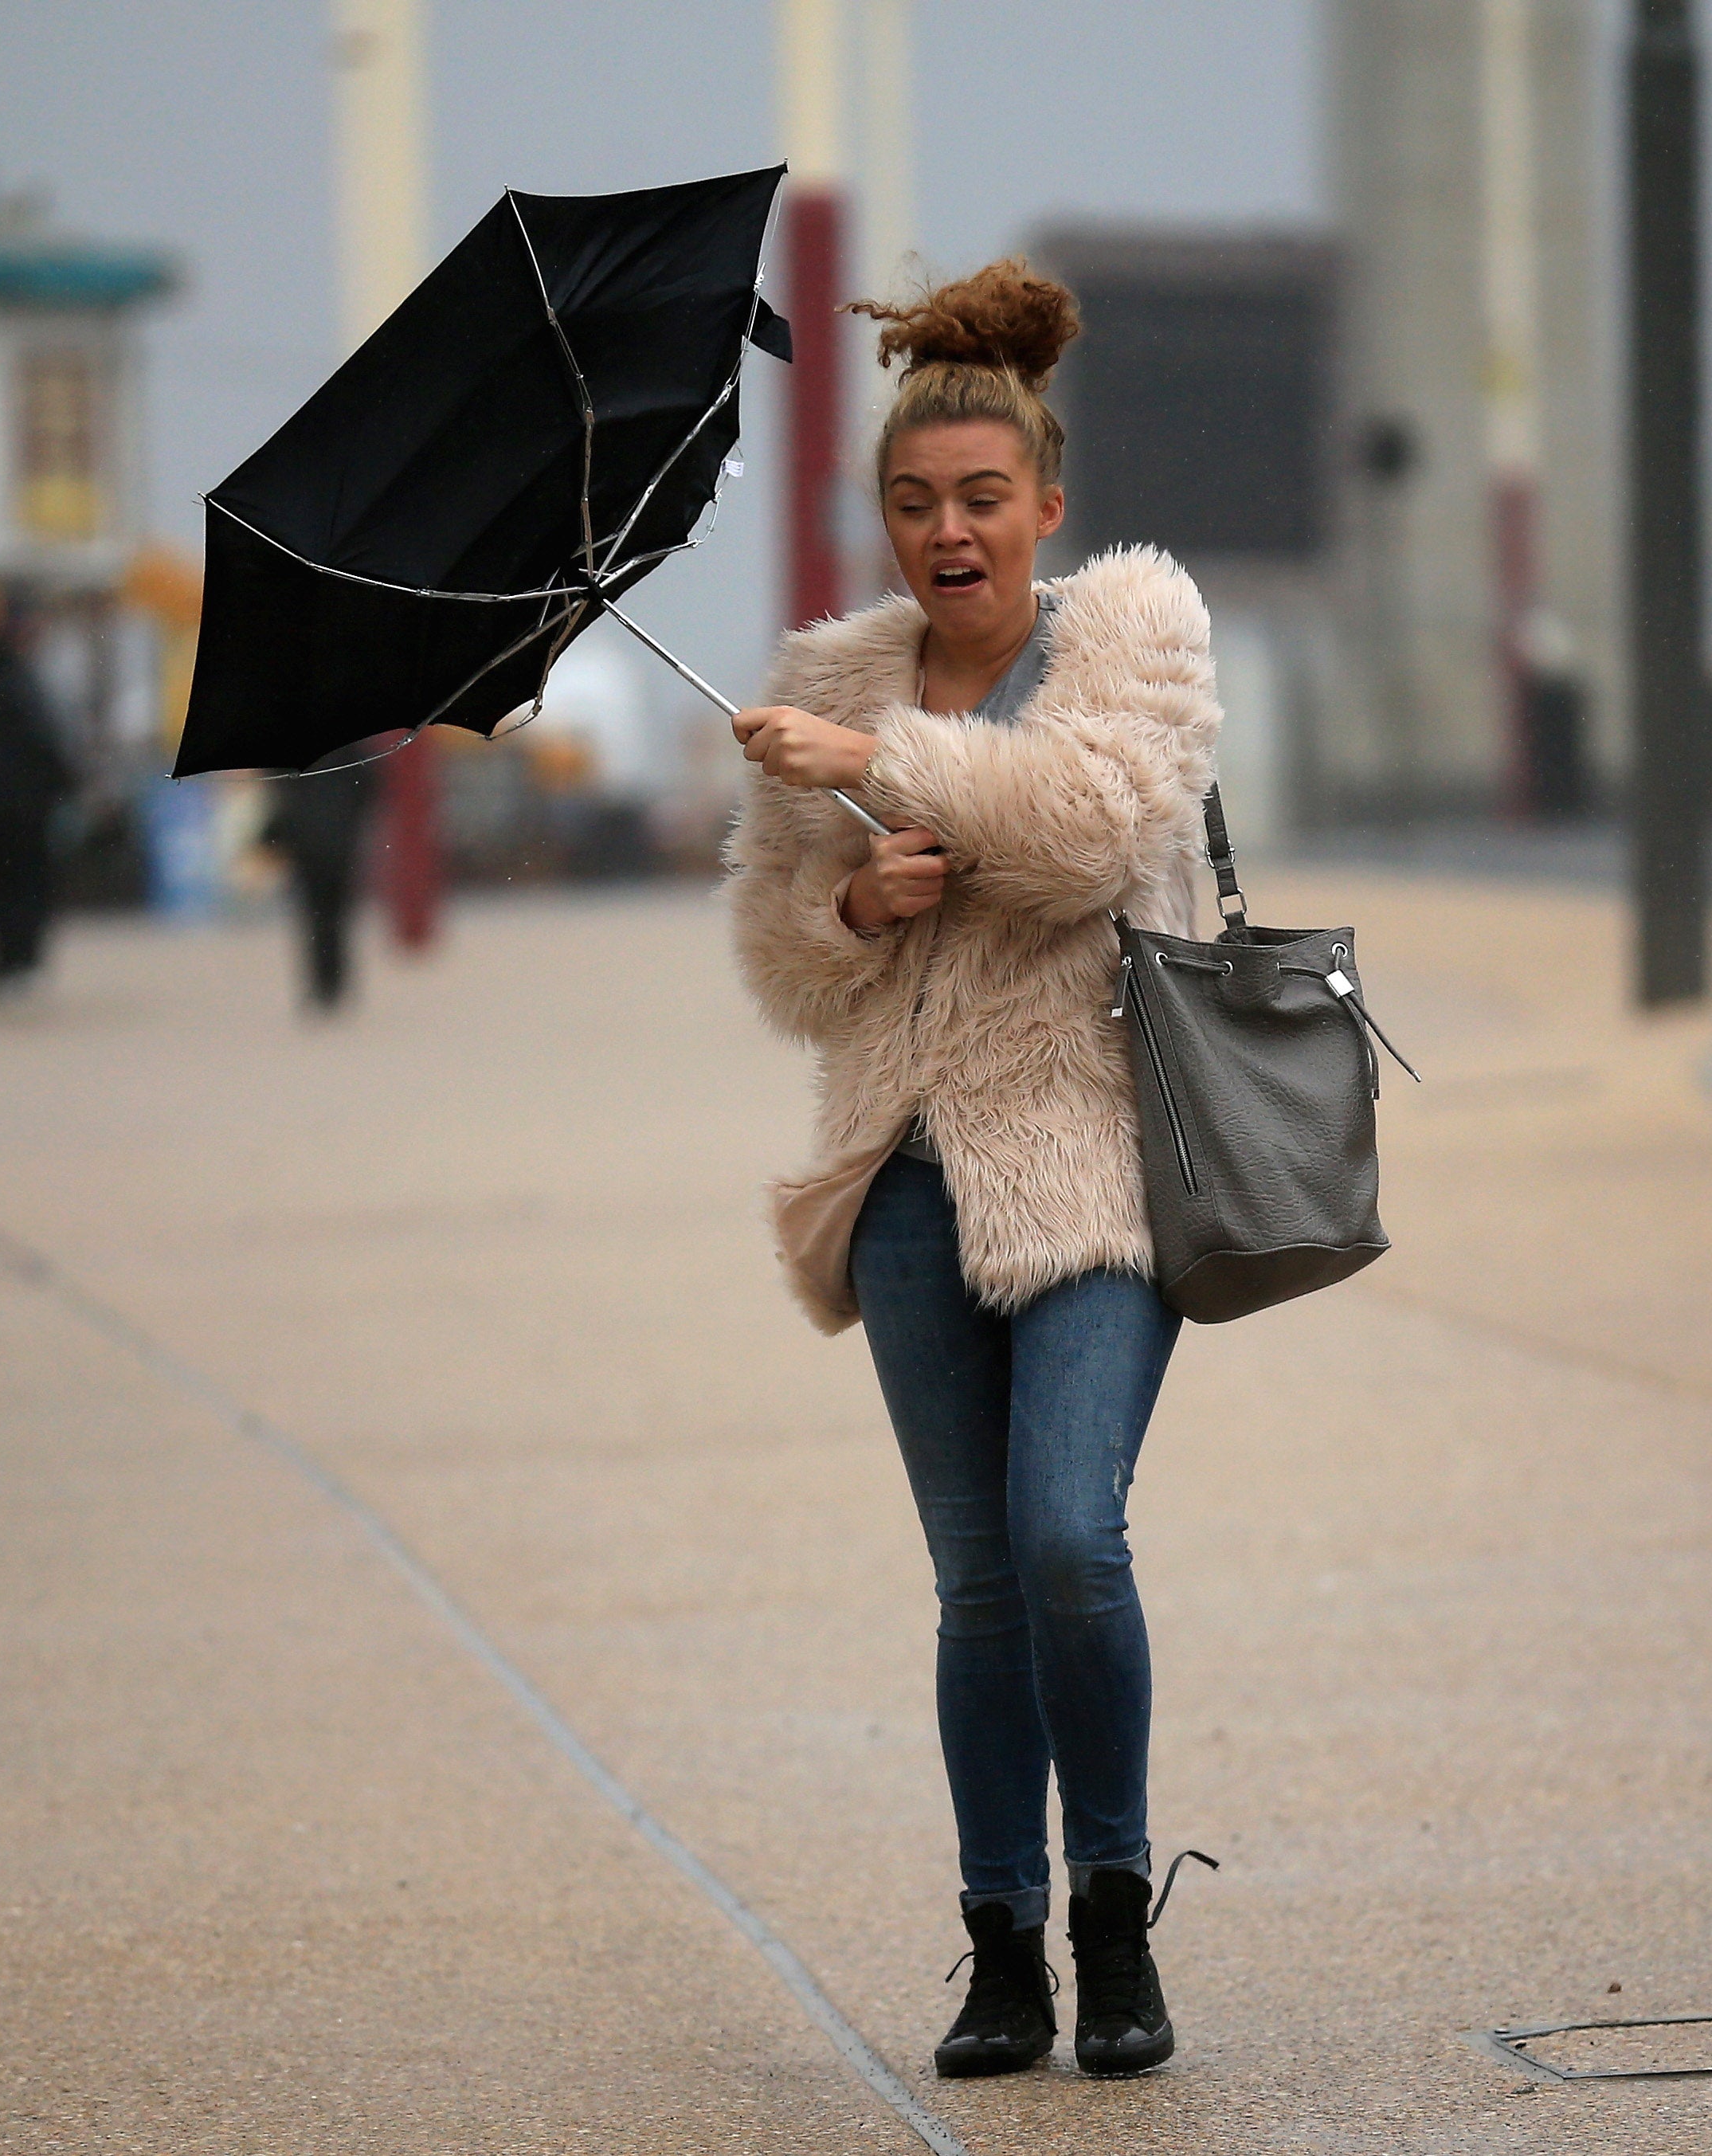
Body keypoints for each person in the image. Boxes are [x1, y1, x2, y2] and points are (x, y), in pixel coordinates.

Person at [723, 261, 1222, 2082]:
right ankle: (1002, 1942)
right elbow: (777, 954)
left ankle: (1113, 1907)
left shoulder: (1133, 633)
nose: (950, 531)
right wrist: (853, 893)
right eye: (917, 503)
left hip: (1098, 1167)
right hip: (909, 1177)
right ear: (888, 516)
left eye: (982, 500)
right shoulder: (821, 685)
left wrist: (894, 765)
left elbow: (1095, 822)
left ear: (1047, 504)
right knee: (975, 1583)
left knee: (1068, 1534)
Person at [0, 593, 76, 1002]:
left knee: (1, 885)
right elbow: (42, 741)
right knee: (27, 885)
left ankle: (7, 965)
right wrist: (67, 779)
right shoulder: (20, 680)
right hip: (24, 804)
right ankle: (21, 963)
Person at [259, 755, 378, 1013]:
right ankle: (334, 982)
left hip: (306, 841)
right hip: (340, 839)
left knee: (315, 916)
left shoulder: (290, 743)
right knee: (337, 916)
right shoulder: (350, 743)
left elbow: (277, 787)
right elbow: (371, 785)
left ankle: (322, 983)